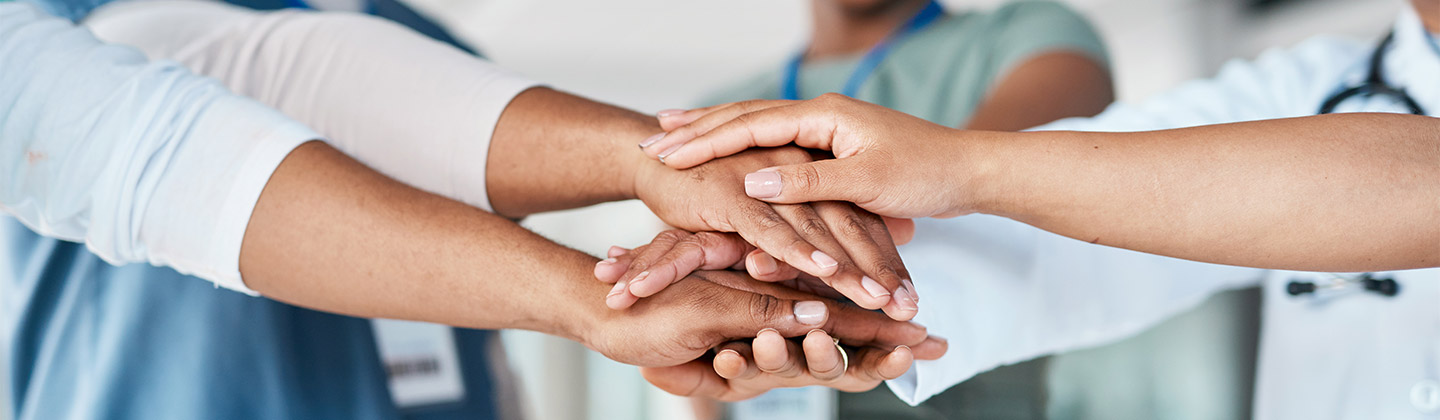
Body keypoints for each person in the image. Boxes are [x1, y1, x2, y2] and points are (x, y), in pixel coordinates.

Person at [1, 1, 947, 418]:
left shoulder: (419, 40)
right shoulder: (80, 21)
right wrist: (602, 292)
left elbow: (469, 327)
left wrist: (652, 168)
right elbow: (174, 123)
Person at [629, 0, 1440, 417]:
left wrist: (962, 164)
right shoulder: (1305, 85)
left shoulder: (1030, 32)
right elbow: (1084, 232)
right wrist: (793, 283)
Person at [647, 0, 1118, 417]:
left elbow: (1025, 170)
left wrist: (776, 261)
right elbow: (703, 317)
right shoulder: (718, 110)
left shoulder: (1031, 32)